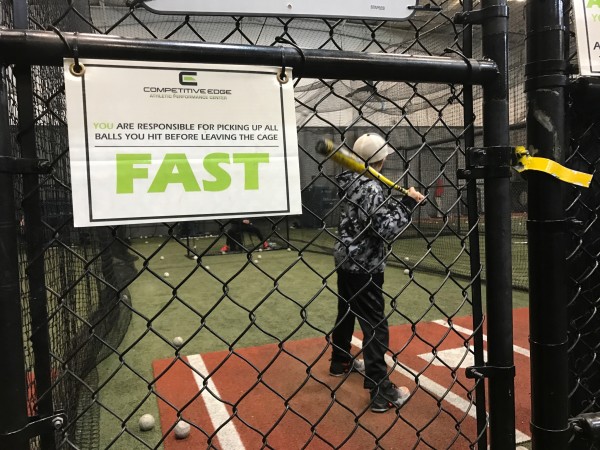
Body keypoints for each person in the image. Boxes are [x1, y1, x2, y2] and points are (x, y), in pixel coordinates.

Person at [329, 133, 425, 413]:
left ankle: (341, 359)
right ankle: (381, 391)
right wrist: (408, 205)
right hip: (364, 263)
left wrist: (398, 202)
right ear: (380, 159)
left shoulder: (353, 181)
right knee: (375, 325)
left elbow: (374, 216)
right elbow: (385, 228)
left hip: (347, 258)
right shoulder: (370, 187)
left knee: (347, 310)